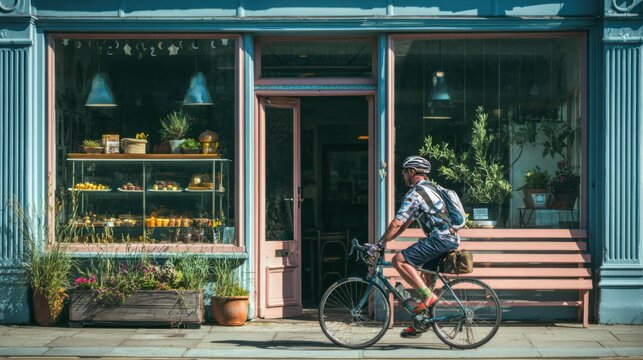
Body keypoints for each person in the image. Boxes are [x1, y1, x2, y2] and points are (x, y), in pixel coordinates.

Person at [366, 155, 460, 338]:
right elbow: (404, 223)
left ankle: (428, 297)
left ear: (412, 172)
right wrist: (384, 242)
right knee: (424, 279)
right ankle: (420, 324)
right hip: (448, 238)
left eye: (404, 172)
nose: (403, 176)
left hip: (441, 239)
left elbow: (397, 222)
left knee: (398, 260)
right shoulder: (431, 188)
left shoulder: (416, 193)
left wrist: (378, 245)